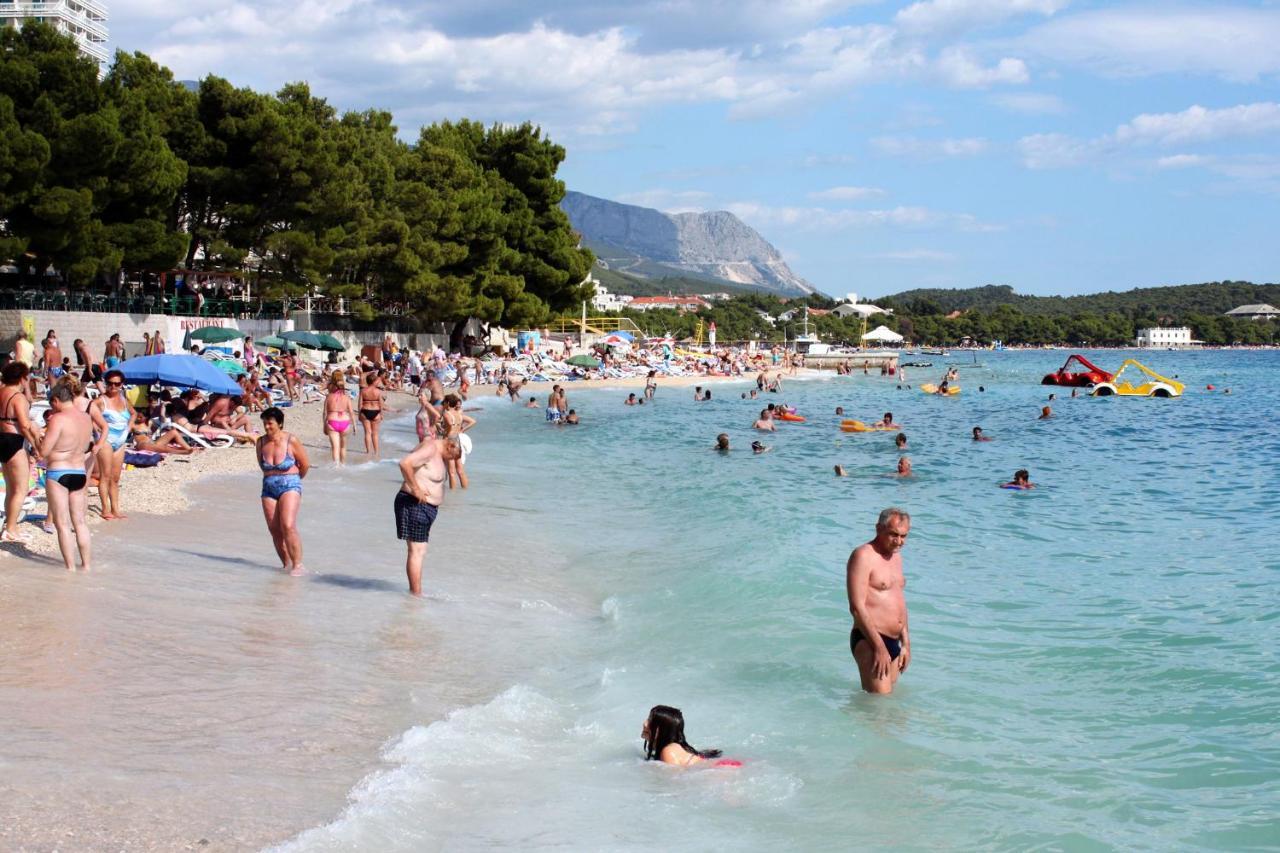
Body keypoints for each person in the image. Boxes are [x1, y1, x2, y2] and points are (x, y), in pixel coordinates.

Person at [846, 507, 911, 694]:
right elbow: (856, 607)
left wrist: (906, 643)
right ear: (878, 529)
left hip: (893, 642)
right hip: (870, 640)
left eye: (904, 536)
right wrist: (879, 648)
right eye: (893, 535)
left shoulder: (896, 557)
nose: (899, 541)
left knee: (886, 708)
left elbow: (899, 601)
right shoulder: (863, 556)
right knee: (879, 709)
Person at [395, 433, 462, 595]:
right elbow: (405, 463)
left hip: (425, 508)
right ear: (451, 446)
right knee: (416, 551)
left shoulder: (436, 452)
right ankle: (415, 596)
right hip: (414, 503)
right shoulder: (430, 448)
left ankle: (415, 593)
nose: (453, 460)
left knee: (420, 550)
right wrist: (416, 489)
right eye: (455, 456)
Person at [40, 382, 95, 570]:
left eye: (51, 404)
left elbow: (44, 451)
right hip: (79, 471)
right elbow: (88, 444)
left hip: (58, 471)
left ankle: (70, 568)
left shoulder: (57, 419)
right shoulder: (86, 418)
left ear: (56, 400)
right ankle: (86, 566)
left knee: (62, 524)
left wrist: (36, 436)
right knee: (80, 522)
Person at [256, 407, 309, 575]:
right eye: (265, 423)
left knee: (287, 525)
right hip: (269, 487)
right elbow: (261, 466)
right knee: (274, 529)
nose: (267, 427)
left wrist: (295, 478)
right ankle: (286, 565)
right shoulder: (261, 442)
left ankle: (298, 565)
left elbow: (305, 464)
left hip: (290, 484)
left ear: (279, 423)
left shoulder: (291, 440)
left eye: (270, 423)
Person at [0, 362, 42, 542]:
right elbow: (24, 425)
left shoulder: (1, 392)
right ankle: (10, 528)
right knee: (21, 488)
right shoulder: (18, 397)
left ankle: (10, 526)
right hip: (14, 441)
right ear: (22, 378)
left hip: (1, 438)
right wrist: (36, 446)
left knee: (11, 488)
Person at [92, 370, 136, 520]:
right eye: (110, 383)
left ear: (122, 385)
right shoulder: (100, 401)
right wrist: (95, 428)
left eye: (117, 384)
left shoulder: (124, 400)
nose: (113, 386)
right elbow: (89, 413)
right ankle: (105, 509)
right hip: (106, 440)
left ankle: (116, 509)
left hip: (121, 440)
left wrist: (129, 427)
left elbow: (134, 413)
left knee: (115, 477)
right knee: (105, 475)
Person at [642, 705, 738, 767]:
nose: (645, 723)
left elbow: (675, 783)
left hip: (723, 771)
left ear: (660, 730)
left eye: (650, 721)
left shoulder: (668, 751)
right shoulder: (671, 748)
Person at [437, 394, 475, 489]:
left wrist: (446, 432)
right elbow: (472, 421)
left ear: (448, 403)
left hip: (449, 441)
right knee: (460, 470)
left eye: (444, 402)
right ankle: (465, 489)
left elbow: (449, 424)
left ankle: (453, 494)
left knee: (451, 472)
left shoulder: (446, 413)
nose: (443, 404)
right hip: (457, 440)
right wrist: (462, 430)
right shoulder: (459, 414)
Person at [323, 372, 355, 464]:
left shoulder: (329, 397)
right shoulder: (346, 398)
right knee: (343, 447)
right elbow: (351, 412)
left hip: (332, 421)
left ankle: (336, 466)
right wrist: (354, 426)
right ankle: (343, 465)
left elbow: (325, 413)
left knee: (335, 447)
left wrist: (324, 426)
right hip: (345, 421)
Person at [358, 370, 385, 456]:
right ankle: (376, 452)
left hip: (365, 410)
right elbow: (381, 404)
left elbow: (360, 404)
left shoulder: (363, 391)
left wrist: (359, 414)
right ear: (374, 381)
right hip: (376, 411)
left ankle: (368, 451)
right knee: (375, 433)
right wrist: (381, 414)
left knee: (367, 432)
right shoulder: (378, 391)